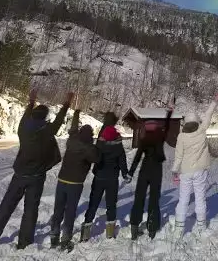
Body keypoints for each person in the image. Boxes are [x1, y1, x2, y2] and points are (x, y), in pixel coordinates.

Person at [0, 90, 73, 252]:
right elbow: (58, 120)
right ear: (45, 117)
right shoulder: (47, 131)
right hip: (36, 177)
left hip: (19, 175)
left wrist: (31, 102)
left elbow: (25, 117)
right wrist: (66, 104)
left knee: (5, 208)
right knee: (30, 211)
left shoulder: (23, 129)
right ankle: (24, 243)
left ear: (33, 116)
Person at [170, 93, 218, 234]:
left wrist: (175, 171)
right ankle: (201, 227)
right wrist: (214, 101)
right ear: (196, 122)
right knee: (200, 199)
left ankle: (179, 229)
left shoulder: (181, 136)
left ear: (186, 123)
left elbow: (178, 156)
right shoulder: (201, 131)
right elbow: (207, 115)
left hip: (186, 172)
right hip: (200, 171)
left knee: (183, 200)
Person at [49, 109, 99, 250]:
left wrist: (76, 114)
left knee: (58, 209)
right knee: (70, 211)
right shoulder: (89, 148)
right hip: (75, 184)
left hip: (62, 180)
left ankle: (54, 236)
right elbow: (97, 159)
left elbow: (72, 128)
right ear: (91, 136)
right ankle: (65, 239)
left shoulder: (71, 140)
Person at [80, 114, 130, 242]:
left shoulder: (100, 145)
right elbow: (122, 162)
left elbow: (95, 158)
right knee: (111, 204)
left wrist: (94, 169)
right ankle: (109, 233)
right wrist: (125, 174)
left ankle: (85, 233)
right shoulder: (118, 147)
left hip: (99, 178)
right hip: (112, 179)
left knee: (93, 203)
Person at [127, 106, 174, 240]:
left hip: (144, 171)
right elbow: (167, 126)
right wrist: (169, 113)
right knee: (154, 200)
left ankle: (134, 228)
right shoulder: (160, 138)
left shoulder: (144, 140)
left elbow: (137, 158)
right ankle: (152, 229)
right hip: (156, 172)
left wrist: (130, 173)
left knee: (139, 199)